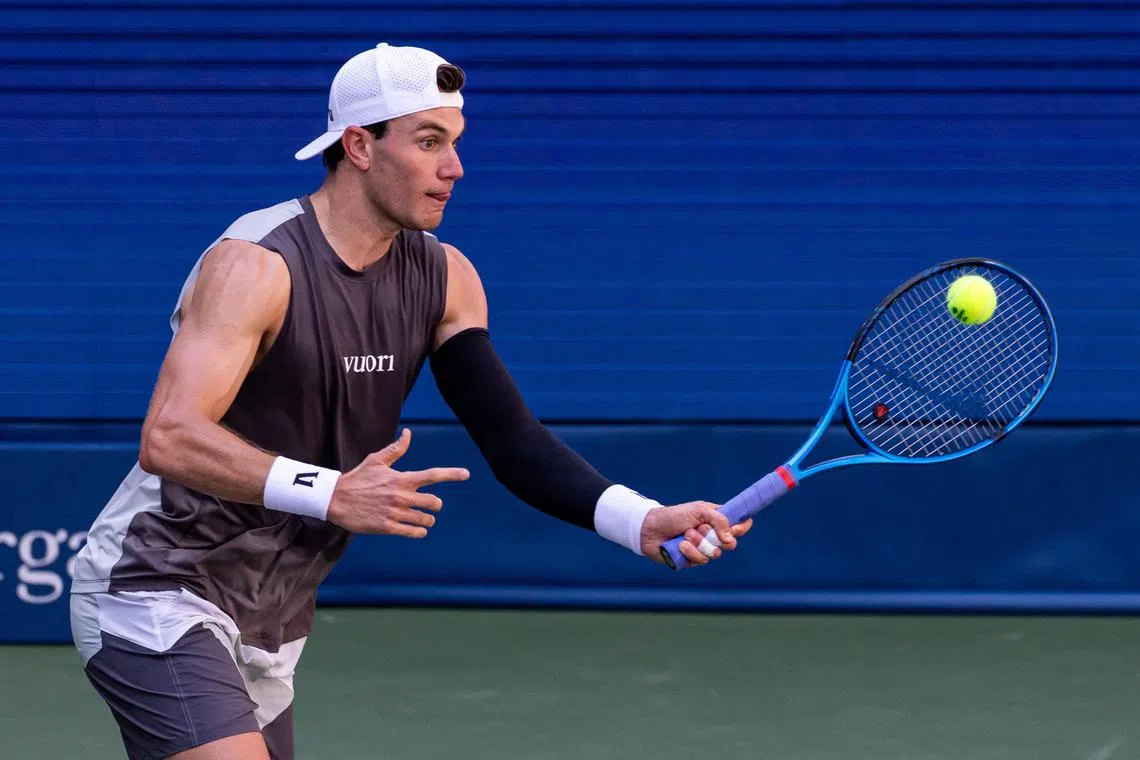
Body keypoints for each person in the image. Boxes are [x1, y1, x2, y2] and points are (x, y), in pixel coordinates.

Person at [68, 42, 753, 760]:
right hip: (158, 581)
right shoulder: (255, 265)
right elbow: (171, 436)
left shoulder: (446, 278)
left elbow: (512, 441)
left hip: (273, 617)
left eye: (455, 142)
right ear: (360, 146)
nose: (454, 167)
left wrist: (641, 520)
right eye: (429, 142)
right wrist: (331, 492)